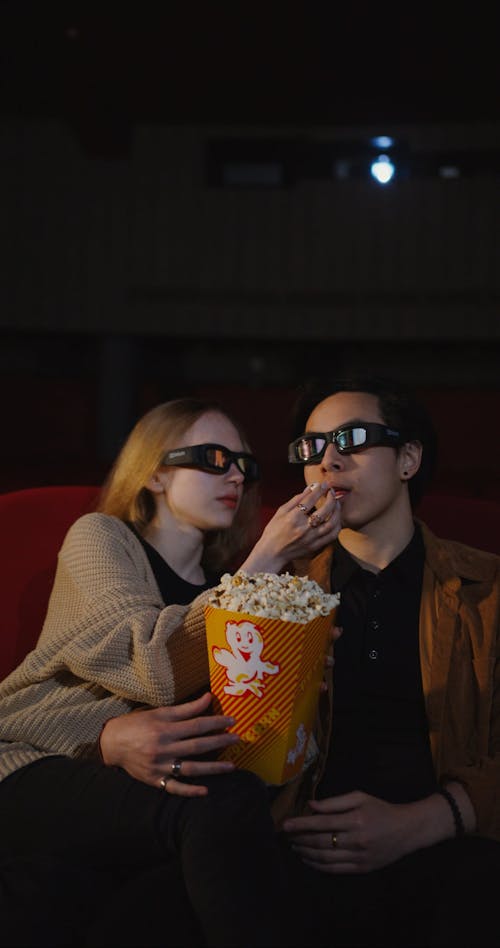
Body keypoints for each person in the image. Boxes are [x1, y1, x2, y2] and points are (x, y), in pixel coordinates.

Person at [0, 397, 342, 948]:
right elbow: (151, 666)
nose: (234, 474)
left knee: (161, 898)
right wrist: (263, 563)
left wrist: (290, 681)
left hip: (139, 796)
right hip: (33, 764)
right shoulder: (101, 538)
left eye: (245, 465)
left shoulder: (224, 581)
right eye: (212, 457)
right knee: (221, 805)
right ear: (154, 473)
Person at [275, 375, 500, 947]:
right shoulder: (275, 587)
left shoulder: (488, 588)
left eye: (350, 439)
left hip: (451, 851)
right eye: (311, 447)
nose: (326, 461)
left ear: (408, 459)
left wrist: (423, 821)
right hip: (295, 855)